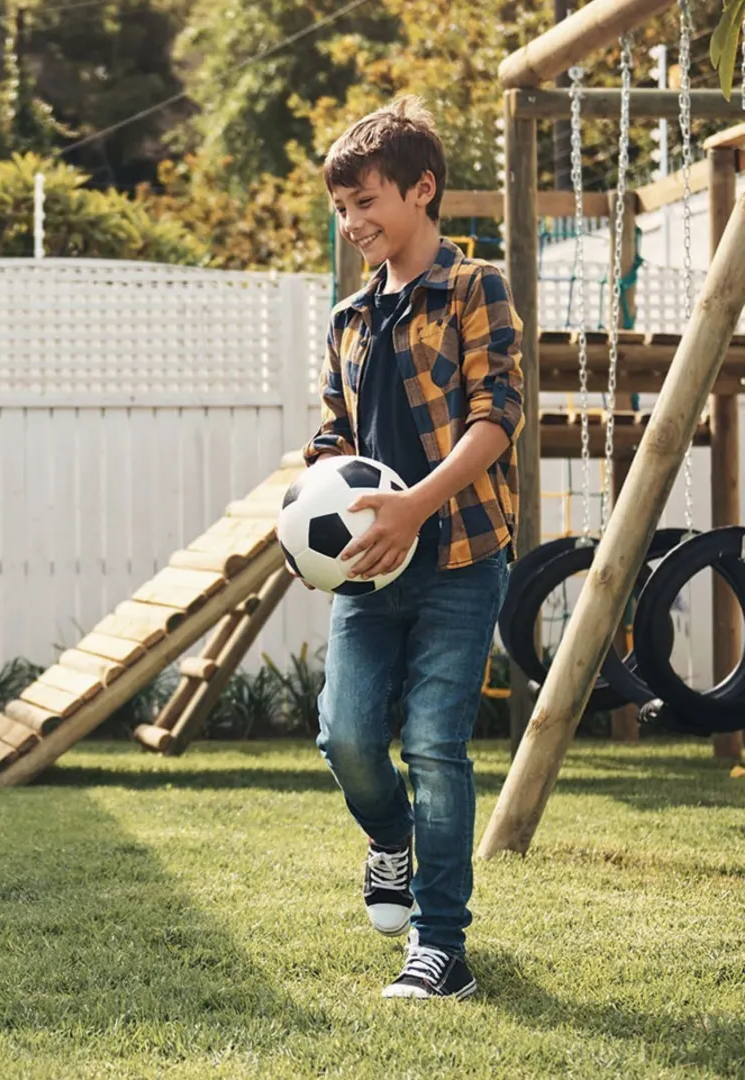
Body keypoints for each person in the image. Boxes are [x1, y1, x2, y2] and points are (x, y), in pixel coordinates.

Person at [303, 96, 525, 1000]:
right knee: (345, 736)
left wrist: (416, 507)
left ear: (421, 190)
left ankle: (442, 947)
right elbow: (330, 436)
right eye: (341, 208)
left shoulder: (477, 288)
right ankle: (388, 839)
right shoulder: (349, 319)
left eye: (366, 202)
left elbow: (497, 416)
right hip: (367, 570)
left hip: (461, 561)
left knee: (436, 745)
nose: (353, 222)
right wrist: (315, 501)